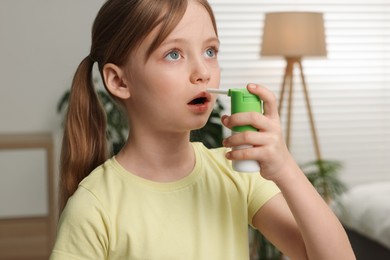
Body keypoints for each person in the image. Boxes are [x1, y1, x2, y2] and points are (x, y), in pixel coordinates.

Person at [50, 0, 355, 259]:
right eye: (174, 54)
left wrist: (285, 168)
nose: (203, 73)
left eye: (210, 51)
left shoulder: (236, 174)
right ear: (119, 81)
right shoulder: (94, 206)